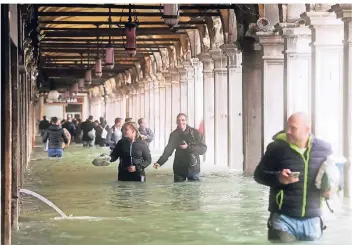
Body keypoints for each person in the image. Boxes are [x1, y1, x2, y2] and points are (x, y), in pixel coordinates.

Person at [254, 112, 333, 242]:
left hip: (312, 221)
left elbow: (334, 179)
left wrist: (330, 190)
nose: (288, 131)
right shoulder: (276, 148)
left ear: (307, 129)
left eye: (293, 128)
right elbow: (259, 175)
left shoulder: (324, 149)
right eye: (287, 127)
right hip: (283, 219)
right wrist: (278, 178)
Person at [153, 113, 207, 182]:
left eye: (183, 120)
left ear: (186, 121)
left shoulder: (195, 132)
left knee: (194, 192)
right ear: (176, 122)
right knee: (178, 192)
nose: (181, 122)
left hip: (193, 169)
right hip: (179, 170)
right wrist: (159, 162)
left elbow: (203, 149)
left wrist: (188, 147)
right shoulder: (174, 135)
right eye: (179, 120)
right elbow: (168, 151)